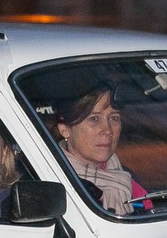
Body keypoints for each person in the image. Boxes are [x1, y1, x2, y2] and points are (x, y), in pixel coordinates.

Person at [54, 84, 145, 215]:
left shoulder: (125, 177)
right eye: (94, 119)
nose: (107, 130)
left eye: (114, 118)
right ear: (65, 129)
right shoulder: (55, 182)